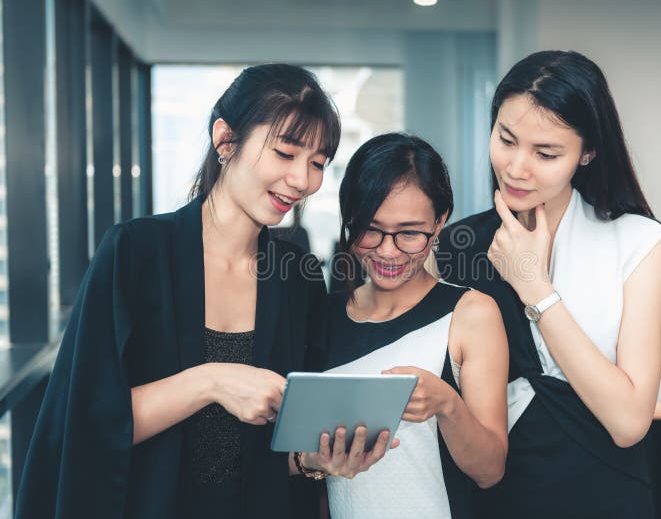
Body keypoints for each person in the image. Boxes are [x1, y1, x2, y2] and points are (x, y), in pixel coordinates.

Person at [16, 64, 394, 519]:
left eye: (317, 164)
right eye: (285, 153)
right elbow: (86, 422)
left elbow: (286, 440)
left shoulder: (298, 276)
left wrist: (315, 460)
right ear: (225, 140)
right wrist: (211, 381)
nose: (302, 180)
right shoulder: (135, 254)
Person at [436, 51, 661, 518]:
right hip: (492, 497)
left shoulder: (639, 242)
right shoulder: (455, 246)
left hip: (605, 493)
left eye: (546, 153)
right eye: (506, 139)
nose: (517, 167)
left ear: (587, 152)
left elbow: (628, 421)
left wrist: (535, 288)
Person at [313, 133, 509, 519]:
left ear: (440, 223)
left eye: (409, 233)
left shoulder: (471, 314)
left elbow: (490, 471)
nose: (387, 250)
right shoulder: (322, 316)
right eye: (370, 229)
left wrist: (447, 405)